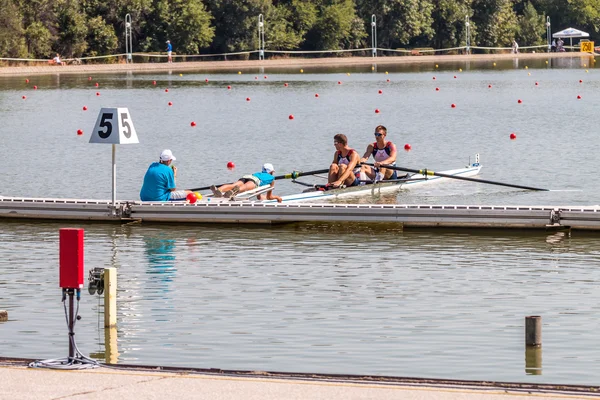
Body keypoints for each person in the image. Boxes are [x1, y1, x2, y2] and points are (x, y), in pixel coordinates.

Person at [211, 163, 282, 202]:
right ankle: (232, 192)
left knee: (233, 185)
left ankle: (219, 189)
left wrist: (261, 197)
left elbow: (259, 196)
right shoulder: (272, 179)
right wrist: (277, 198)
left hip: (248, 176)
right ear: (271, 172)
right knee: (245, 187)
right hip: (255, 180)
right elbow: (269, 197)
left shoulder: (258, 173)